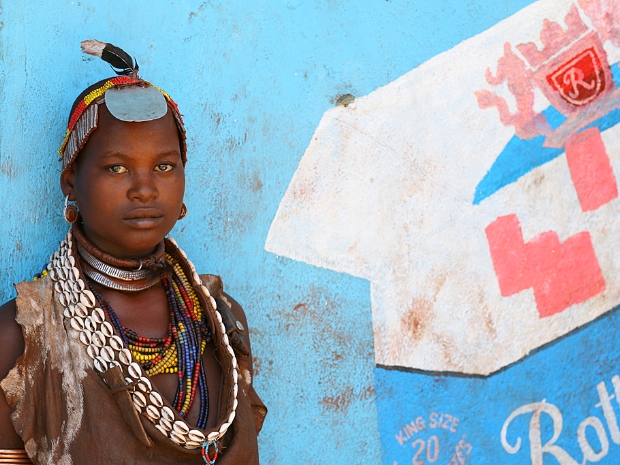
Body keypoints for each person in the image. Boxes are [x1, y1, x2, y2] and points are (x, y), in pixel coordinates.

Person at [0, 40, 266, 464]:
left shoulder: (221, 321)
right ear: (71, 182)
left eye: (164, 166)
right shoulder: (22, 335)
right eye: (116, 168)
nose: (144, 189)